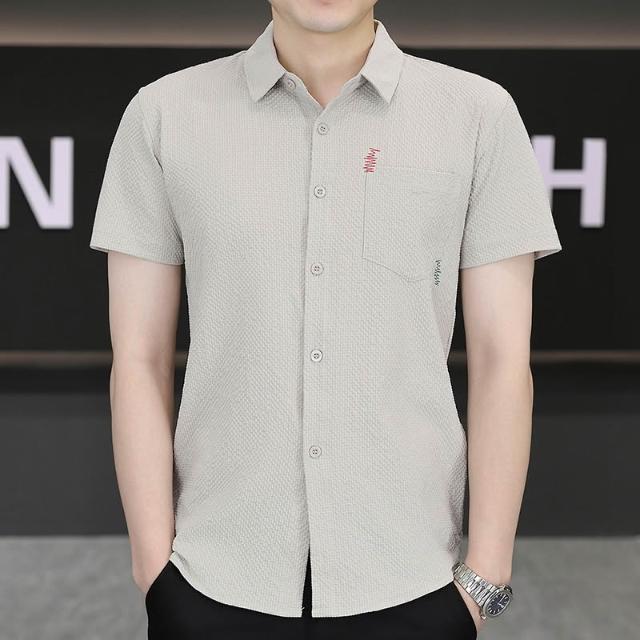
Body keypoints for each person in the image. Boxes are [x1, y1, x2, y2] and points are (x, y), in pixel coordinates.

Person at [89, 2, 562, 638]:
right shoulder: (163, 114)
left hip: (413, 577)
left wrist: (486, 576)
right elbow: (139, 358)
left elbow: (502, 359)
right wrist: (154, 571)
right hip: (214, 577)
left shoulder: (477, 115)